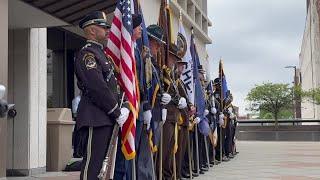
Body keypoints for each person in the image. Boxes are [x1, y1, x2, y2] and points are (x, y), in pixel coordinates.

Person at [74, 11, 130, 180]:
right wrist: (116, 110)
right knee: (93, 167)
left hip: (107, 118)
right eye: (103, 27)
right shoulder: (87, 54)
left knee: (105, 169)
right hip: (96, 118)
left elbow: (115, 87)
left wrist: (125, 105)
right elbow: (97, 87)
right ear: (91, 30)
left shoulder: (103, 55)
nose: (107, 30)